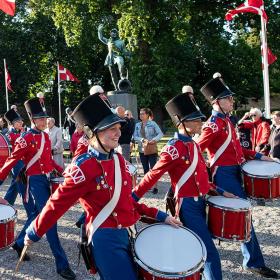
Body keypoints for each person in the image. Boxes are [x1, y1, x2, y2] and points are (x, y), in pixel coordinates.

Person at [24, 93, 181, 280]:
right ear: (93, 133)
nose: (119, 132)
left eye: (118, 127)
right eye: (111, 128)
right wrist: (33, 232)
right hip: (105, 239)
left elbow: (126, 202)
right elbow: (56, 204)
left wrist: (161, 216)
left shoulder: (118, 160)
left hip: (128, 234)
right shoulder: (83, 167)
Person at [133, 93, 237, 280]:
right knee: (209, 253)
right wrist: (131, 198)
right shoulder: (174, 148)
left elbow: (202, 179)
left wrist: (221, 191)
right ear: (182, 122)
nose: (200, 123)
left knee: (199, 251)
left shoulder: (194, 145)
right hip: (188, 206)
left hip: (201, 203)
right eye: (195, 120)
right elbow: (152, 175)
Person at [197, 75, 278, 279]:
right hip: (223, 174)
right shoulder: (213, 124)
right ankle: (254, 262)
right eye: (228, 98)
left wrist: (260, 156)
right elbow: (195, 150)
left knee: (244, 217)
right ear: (217, 102)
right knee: (243, 216)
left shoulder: (226, 121)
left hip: (234, 171)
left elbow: (238, 151)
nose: (232, 101)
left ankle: (252, 260)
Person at [0, 97, 76, 280]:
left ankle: (19, 243)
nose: (44, 121)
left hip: (46, 180)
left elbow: (48, 160)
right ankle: (62, 264)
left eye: (45, 118)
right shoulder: (25, 139)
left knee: (38, 216)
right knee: (49, 220)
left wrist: (63, 171)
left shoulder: (45, 136)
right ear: (33, 120)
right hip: (33, 183)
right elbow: (11, 161)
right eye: (40, 119)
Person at [1, 109, 36, 260]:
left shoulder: (22, 133)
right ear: (12, 123)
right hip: (19, 170)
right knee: (29, 205)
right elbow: (12, 156)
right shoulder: (10, 136)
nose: (21, 123)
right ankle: (24, 236)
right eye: (18, 121)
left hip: (22, 169)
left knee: (11, 195)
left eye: (21, 121)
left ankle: (7, 210)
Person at [133, 108, 163, 194]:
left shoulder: (152, 123)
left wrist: (154, 139)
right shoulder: (137, 125)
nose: (141, 115)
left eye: (143, 114)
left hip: (151, 149)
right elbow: (135, 136)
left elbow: (160, 133)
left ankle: (155, 187)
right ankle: (148, 186)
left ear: (147, 115)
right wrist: (142, 139)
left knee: (153, 168)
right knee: (145, 168)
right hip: (142, 149)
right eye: (140, 114)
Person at [98, 24, 130, 90]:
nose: (113, 34)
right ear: (110, 34)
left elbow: (124, 51)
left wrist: (129, 54)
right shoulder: (108, 41)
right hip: (110, 57)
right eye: (112, 32)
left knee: (120, 61)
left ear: (117, 34)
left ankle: (123, 77)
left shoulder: (121, 42)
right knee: (112, 74)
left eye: (115, 32)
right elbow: (101, 38)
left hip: (118, 56)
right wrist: (100, 30)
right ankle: (116, 87)